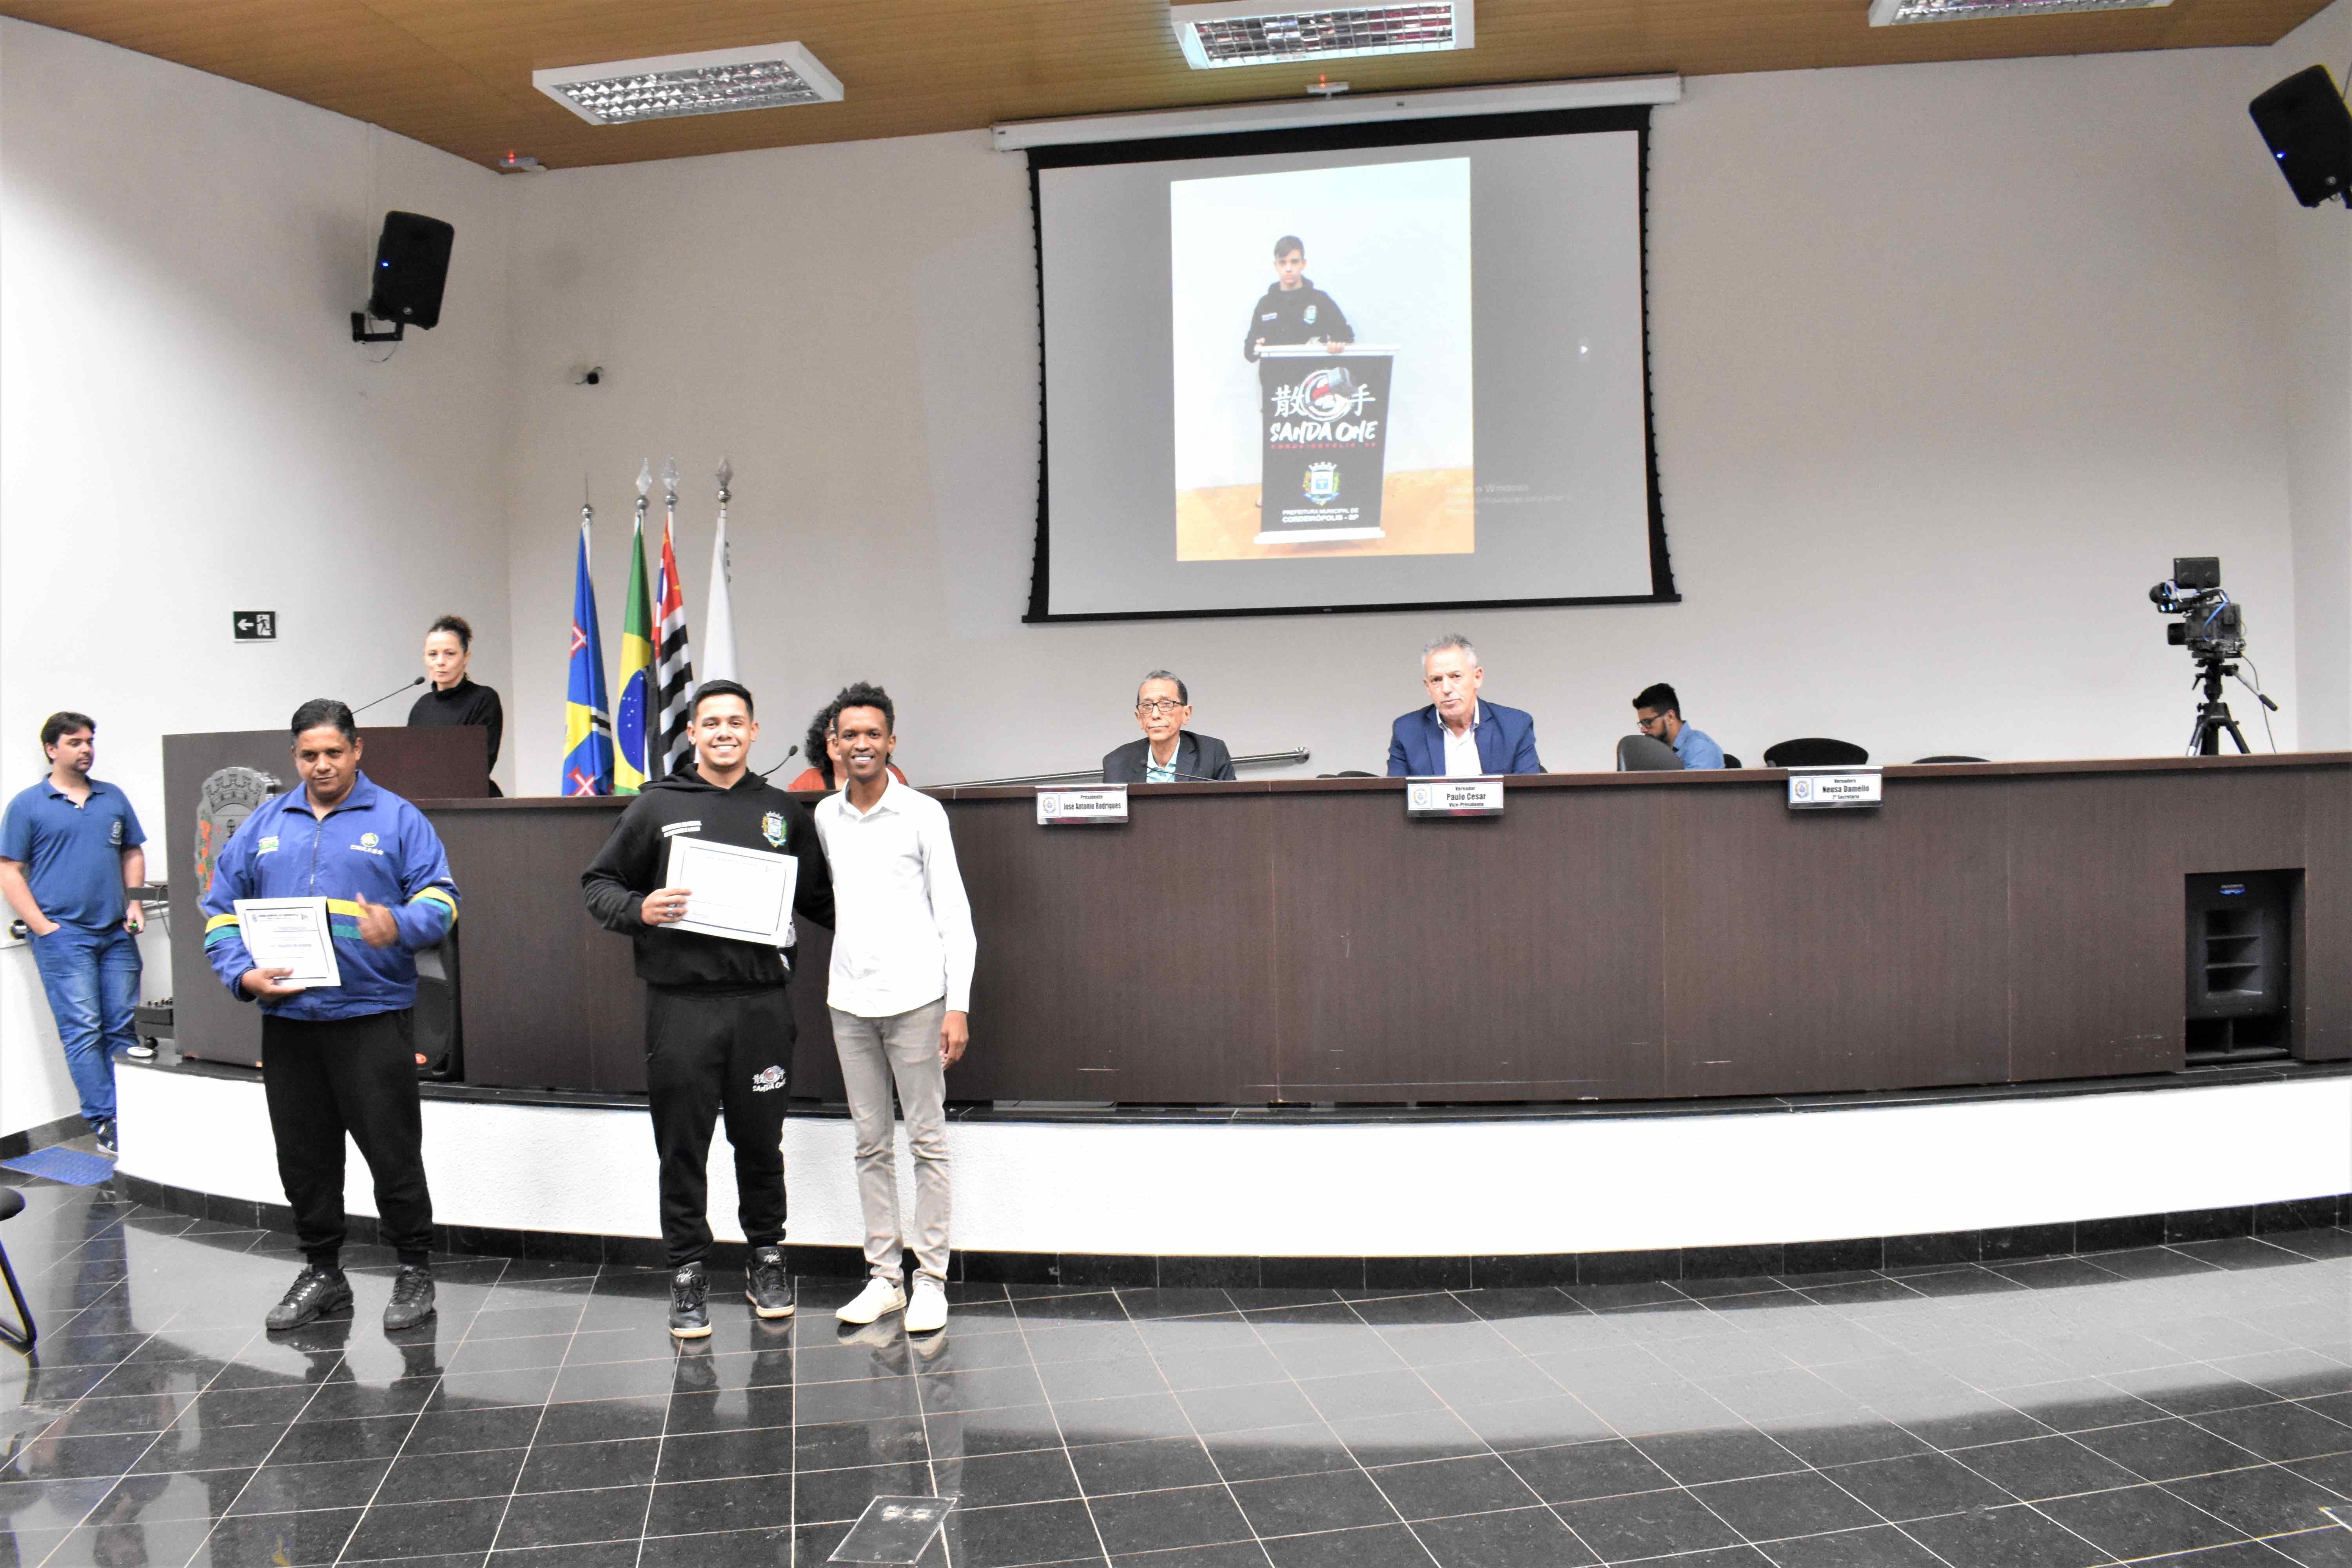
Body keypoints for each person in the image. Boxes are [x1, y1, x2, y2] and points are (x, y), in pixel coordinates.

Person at [581, 679, 835, 1338]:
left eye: (736, 722)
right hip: (681, 1007)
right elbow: (599, 883)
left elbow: (822, 902)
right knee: (682, 1145)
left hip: (762, 1006)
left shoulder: (784, 812)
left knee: (761, 1142)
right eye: (712, 722)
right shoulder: (656, 807)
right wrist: (638, 908)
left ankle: (767, 1257)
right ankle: (687, 1269)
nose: (725, 732)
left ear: (754, 732)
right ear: (692, 734)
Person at [199, 699, 459, 1333]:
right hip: (290, 1022)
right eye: (309, 755)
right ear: (295, 756)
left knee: (393, 1153)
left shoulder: (398, 819)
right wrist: (242, 973)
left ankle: (414, 1270)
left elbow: (443, 901)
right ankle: (323, 1273)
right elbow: (220, 912)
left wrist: (399, 923)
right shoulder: (264, 825)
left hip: (372, 1016)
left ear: (357, 749)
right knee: (304, 1158)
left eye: (333, 753)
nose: (322, 766)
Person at [815, 683, 975, 1336]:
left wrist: (958, 1006)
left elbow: (955, 915)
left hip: (917, 1002)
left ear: (891, 742)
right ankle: (885, 1279)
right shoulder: (825, 816)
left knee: (928, 1142)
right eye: (850, 735)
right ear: (835, 744)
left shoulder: (922, 814)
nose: (862, 744)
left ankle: (930, 1281)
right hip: (850, 1002)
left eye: (872, 734)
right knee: (869, 1144)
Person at [0, 712, 148, 1155]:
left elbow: (132, 852)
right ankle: (106, 1121)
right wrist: (43, 926)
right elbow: (9, 870)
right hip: (64, 938)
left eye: (89, 741)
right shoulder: (28, 805)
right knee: (84, 1030)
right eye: (75, 742)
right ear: (52, 749)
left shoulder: (112, 797)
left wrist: (135, 903)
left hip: (116, 933)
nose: (86, 749)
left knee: (122, 1025)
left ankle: (135, 1113)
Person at [1386, 635, 1544, 777]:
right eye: (1436, 680)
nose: (1446, 689)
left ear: (1477, 678)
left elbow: (1527, 795)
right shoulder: (1407, 731)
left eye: (1456, 676)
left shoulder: (1514, 727)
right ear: (1428, 687)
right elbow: (1395, 796)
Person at [406, 614, 504, 795]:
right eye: (433, 654)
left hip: (473, 803)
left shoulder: (484, 699)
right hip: (428, 802)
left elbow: (481, 764)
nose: (440, 662)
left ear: (466, 657)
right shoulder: (422, 706)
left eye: (450, 654)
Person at [1102, 671, 1237, 784]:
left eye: (1166, 704)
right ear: (1139, 718)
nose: (1155, 715)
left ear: (1186, 714)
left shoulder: (1212, 754)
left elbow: (1230, 805)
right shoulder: (1116, 763)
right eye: (1147, 706)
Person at [1242, 235, 1354, 363]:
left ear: (1303, 264)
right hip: (1275, 375)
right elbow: (1249, 352)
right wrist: (1256, 346)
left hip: (1312, 374)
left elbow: (1346, 336)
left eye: (1294, 262)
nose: (1289, 269)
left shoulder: (1320, 300)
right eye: (1283, 263)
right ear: (1276, 265)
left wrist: (1337, 344)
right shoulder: (1266, 305)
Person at [786, 697, 908, 793]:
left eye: (872, 735)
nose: (860, 745)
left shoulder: (892, 777)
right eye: (834, 732)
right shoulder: (808, 782)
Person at [1633, 683, 1725, 770]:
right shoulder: (1658, 752)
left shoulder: (1700, 748)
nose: (1643, 730)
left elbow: (1688, 783)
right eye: (1642, 724)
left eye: (1647, 722)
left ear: (1670, 717)